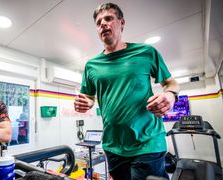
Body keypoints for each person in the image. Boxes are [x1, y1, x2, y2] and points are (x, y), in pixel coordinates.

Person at [74, 3, 179, 180]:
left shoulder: (146, 52)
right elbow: (90, 97)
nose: (103, 24)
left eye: (108, 18)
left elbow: (171, 83)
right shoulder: (91, 65)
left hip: (147, 141)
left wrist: (170, 95)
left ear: (121, 22)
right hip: (113, 145)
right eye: (99, 22)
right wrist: (87, 103)